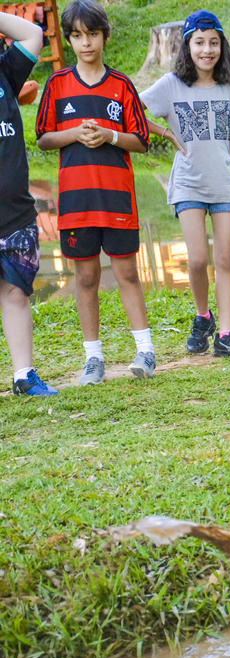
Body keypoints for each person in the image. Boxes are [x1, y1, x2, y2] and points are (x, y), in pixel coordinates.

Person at [140, 10, 230, 361]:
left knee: (226, 258)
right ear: (187, 45)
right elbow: (131, 110)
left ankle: (227, 334)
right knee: (197, 259)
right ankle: (203, 317)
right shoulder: (171, 85)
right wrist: (167, 132)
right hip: (187, 184)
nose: (207, 50)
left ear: (221, 46)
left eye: (214, 43)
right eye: (199, 42)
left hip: (225, 184)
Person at [36, 0, 156, 384]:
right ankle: (93, 358)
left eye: (92, 34)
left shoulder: (121, 85)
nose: (85, 42)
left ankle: (146, 351)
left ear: (105, 36)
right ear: (69, 40)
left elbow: (141, 139)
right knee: (85, 277)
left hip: (116, 198)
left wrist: (110, 136)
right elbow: (42, 138)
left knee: (126, 272)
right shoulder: (57, 85)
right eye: (76, 35)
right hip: (75, 202)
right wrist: (73, 134)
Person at [0, 9, 57, 397]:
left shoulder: (5, 74)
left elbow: (33, 34)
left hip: (15, 212)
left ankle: (24, 375)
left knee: (16, 292)